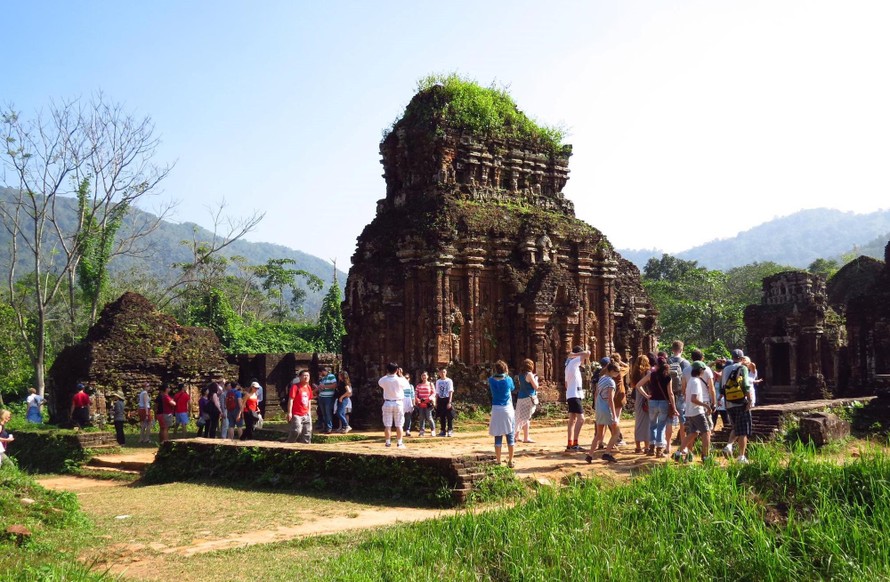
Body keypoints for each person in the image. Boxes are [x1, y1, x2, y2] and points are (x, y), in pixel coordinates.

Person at [634, 354, 677, 458]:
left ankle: (651, 449)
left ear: (657, 365)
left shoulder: (651, 375)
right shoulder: (667, 377)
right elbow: (670, 393)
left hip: (652, 402)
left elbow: (638, 385)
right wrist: (674, 408)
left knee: (652, 426)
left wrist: (647, 396)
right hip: (663, 403)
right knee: (661, 427)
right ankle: (659, 450)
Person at [674, 361, 713, 462]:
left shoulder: (691, 380)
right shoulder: (696, 382)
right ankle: (706, 456)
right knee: (706, 432)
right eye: (703, 370)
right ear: (700, 370)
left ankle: (678, 453)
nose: (704, 371)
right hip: (697, 411)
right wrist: (706, 406)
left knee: (693, 433)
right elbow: (693, 399)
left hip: (690, 411)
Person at [722, 349, 755, 463]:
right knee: (743, 431)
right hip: (741, 403)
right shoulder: (743, 368)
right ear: (741, 358)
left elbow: (723, 388)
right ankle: (741, 456)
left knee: (736, 427)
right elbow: (745, 385)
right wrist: (750, 400)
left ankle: (729, 445)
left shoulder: (725, 369)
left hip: (729, 403)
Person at [586, 361, 622, 463]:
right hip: (607, 409)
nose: (618, 374)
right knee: (616, 433)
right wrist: (614, 416)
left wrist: (597, 408)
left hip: (599, 409)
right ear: (611, 371)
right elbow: (610, 399)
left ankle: (590, 455)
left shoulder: (601, 379)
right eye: (616, 372)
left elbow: (596, 394)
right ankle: (607, 453)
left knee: (599, 434)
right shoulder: (611, 382)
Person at [488, 360, 516, 468]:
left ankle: (498, 461)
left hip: (496, 409)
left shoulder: (491, 380)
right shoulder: (508, 380)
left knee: (498, 435)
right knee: (510, 435)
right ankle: (510, 460)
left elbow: (492, 378)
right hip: (507, 409)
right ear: (505, 369)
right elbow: (512, 388)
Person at [564, 346, 591, 452]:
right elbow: (588, 353)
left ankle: (570, 443)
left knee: (572, 420)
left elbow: (566, 384)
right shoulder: (573, 362)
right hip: (574, 395)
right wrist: (575, 355)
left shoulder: (568, 366)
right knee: (581, 419)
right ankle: (575, 443)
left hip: (571, 394)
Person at [667, 340, 690, 451]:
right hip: (681, 394)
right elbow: (687, 379)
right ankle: (683, 445)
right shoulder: (685, 363)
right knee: (682, 421)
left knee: (669, 420)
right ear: (682, 349)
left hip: (668, 394)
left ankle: (667, 445)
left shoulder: (667, 361)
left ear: (672, 349)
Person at [379, 363, 408, 448]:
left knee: (387, 425)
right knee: (399, 424)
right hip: (398, 403)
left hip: (387, 402)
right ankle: (399, 443)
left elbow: (380, 382)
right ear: (397, 370)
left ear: (387, 370)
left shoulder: (384, 379)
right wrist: (400, 375)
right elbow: (406, 385)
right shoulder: (400, 380)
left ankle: (388, 443)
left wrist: (388, 373)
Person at [630, 354, 652, 453]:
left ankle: (638, 446)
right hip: (646, 397)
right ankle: (647, 446)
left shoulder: (634, 373)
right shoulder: (647, 372)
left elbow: (633, 385)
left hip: (638, 398)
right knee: (647, 423)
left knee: (638, 422)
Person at [514, 359, 539, 444]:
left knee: (519, 417)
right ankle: (526, 437)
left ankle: (516, 436)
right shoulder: (529, 375)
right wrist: (536, 379)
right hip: (529, 398)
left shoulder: (520, 375)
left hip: (521, 398)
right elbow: (536, 387)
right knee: (526, 418)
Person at [286, 370, 314, 444]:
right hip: (297, 413)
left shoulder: (308, 387)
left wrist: (309, 413)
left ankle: (306, 448)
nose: (306, 377)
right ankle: (289, 443)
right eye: (304, 375)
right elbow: (291, 400)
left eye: (308, 376)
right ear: (300, 377)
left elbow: (309, 400)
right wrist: (289, 413)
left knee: (307, 432)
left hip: (306, 413)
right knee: (296, 430)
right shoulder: (295, 387)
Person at [609, 353, 630, 446]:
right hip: (619, 397)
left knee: (612, 418)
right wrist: (620, 362)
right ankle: (618, 438)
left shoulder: (607, 371)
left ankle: (615, 437)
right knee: (616, 419)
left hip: (609, 397)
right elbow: (628, 367)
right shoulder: (620, 371)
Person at [316, 367, 338, 434]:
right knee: (323, 413)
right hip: (322, 396)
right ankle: (325, 427)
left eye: (320, 372)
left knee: (328, 413)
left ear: (323, 371)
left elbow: (334, 385)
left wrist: (325, 386)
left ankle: (329, 427)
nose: (320, 374)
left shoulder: (331, 376)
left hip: (328, 397)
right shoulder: (323, 378)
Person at [434, 366, 455, 437]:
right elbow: (437, 392)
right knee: (441, 415)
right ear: (439, 373)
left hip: (447, 398)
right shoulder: (438, 381)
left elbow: (450, 391)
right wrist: (436, 402)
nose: (443, 373)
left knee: (449, 416)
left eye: (444, 372)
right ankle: (443, 430)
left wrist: (449, 402)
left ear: (446, 373)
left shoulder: (449, 381)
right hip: (440, 399)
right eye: (441, 372)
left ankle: (450, 430)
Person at [414, 371, 435, 436]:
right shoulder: (418, 385)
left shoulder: (430, 384)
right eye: (422, 375)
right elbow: (416, 394)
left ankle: (433, 430)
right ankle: (421, 431)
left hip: (428, 404)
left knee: (429, 417)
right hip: (421, 404)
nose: (424, 377)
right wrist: (417, 399)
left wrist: (428, 399)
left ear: (427, 376)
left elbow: (434, 393)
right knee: (421, 418)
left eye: (425, 375)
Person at [711, 359, 730, 430]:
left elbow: (708, 366)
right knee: (714, 419)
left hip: (721, 400)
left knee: (725, 419)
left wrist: (714, 362)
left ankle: (728, 433)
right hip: (716, 401)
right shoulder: (715, 377)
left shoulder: (724, 375)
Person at [402, 372, 415, 437]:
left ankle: (407, 430)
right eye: (404, 378)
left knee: (408, 417)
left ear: (409, 379)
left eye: (407, 378)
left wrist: (413, 404)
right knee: (400, 417)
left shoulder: (411, 386)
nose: (406, 379)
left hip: (408, 402)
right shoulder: (400, 386)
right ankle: (400, 430)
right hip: (401, 402)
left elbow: (412, 396)